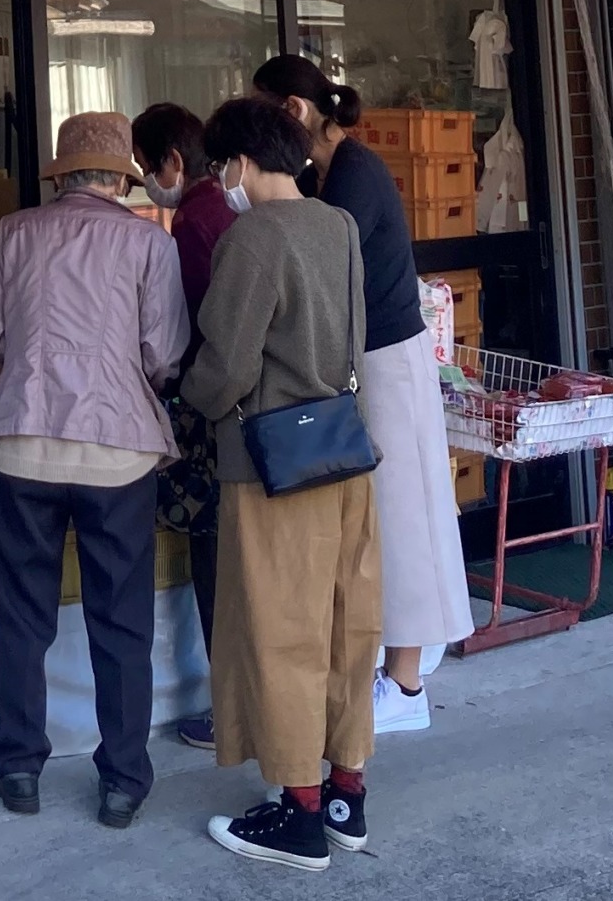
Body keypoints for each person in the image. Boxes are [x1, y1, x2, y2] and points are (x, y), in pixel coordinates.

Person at [0, 112, 187, 829]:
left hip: (23, 442)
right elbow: (163, 354)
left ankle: (19, 765)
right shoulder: (147, 242)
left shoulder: (14, 232)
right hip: (116, 450)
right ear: (123, 177)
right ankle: (123, 779)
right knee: (120, 620)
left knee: (23, 613)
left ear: (62, 174)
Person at [182, 97, 382, 871]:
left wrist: (191, 398)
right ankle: (344, 794)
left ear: (236, 163)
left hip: (271, 460)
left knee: (281, 630)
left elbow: (226, 362)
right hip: (345, 448)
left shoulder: (250, 237)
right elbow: (355, 335)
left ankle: (297, 812)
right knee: (346, 622)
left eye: (219, 166)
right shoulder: (338, 225)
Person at [254, 54, 474, 736]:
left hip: (389, 358)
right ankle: (390, 673)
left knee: (407, 517)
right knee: (383, 517)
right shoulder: (333, 171)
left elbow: (321, 262)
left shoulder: (354, 173)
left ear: (295, 111)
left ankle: (405, 681)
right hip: (368, 358)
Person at [136, 101, 229, 752]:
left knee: (211, 548)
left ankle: (229, 703)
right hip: (246, 408)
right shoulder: (228, 208)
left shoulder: (194, 220)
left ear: (173, 160)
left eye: (146, 166)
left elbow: (189, 329)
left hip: (210, 408)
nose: (146, 179)